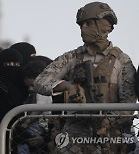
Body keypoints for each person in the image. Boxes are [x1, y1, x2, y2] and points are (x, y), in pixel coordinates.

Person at [34, 2, 137, 154]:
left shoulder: (121, 60)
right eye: (81, 25)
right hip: (74, 134)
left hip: (108, 137)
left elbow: (128, 103)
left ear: (104, 25)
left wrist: (108, 121)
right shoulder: (72, 57)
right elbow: (40, 81)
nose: (83, 29)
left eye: (89, 23)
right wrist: (68, 86)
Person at [13, 56, 53, 154]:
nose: (30, 89)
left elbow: (39, 108)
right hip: (36, 123)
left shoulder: (42, 92)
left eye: (32, 86)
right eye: (28, 86)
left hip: (39, 124)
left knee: (24, 142)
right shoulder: (34, 93)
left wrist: (26, 122)